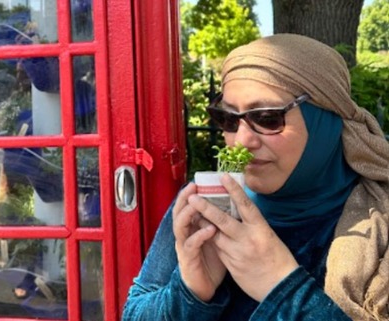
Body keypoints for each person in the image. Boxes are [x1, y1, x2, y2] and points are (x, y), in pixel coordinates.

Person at [122, 34, 389, 321]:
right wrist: (190, 292)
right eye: (227, 119)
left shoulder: (378, 220)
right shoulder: (208, 201)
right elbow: (134, 312)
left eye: (267, 118)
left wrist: (281, 286)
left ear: (323, 120)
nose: (241, 141)